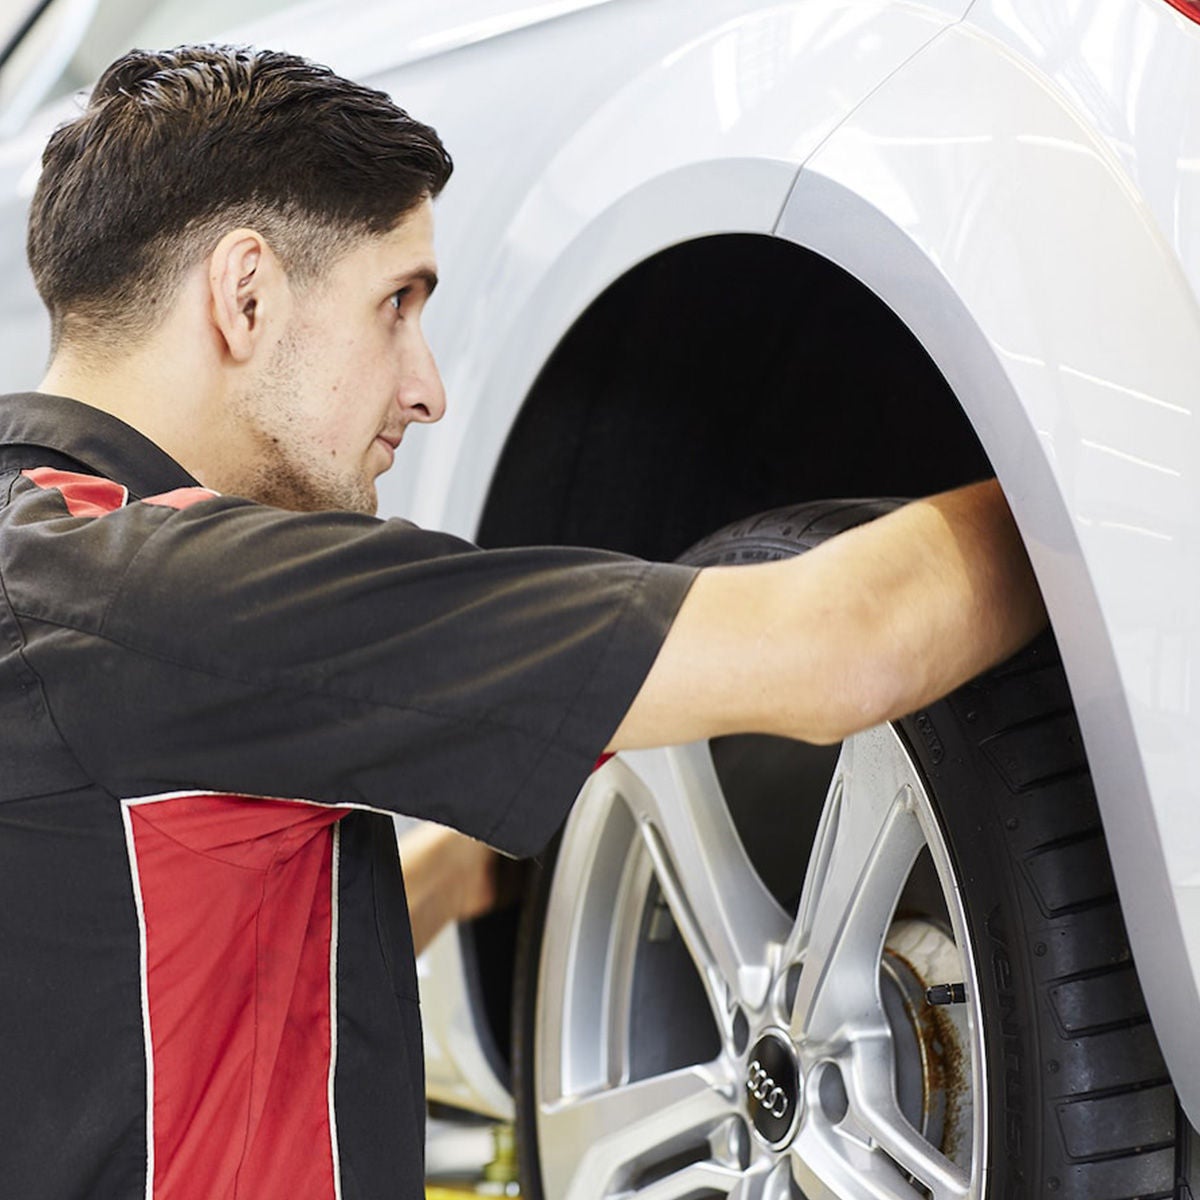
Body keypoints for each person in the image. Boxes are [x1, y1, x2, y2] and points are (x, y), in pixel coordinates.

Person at [0, 44, 1045, 1200]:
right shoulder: (176, 597)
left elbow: (166, 926)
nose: (427, 387)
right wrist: (1102, 487)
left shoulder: (51, 569)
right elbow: (844, 641)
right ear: (246, 294)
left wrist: (468, 850)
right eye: (394, 303)